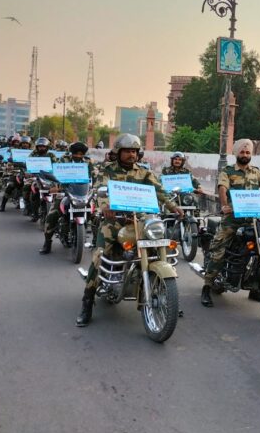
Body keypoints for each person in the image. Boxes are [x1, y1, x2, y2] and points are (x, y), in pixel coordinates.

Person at [76, 134, 182, 327]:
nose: (131, 155)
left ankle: (168, 294)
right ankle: (87, 302)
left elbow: (160, 191)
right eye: (127, 151)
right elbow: (101, 189)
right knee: (100, 256)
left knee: (158, 246)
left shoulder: (144, 173)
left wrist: (174, 206)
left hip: (140, 220)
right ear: (118, 152)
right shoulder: (107, 170)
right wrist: (105, 206)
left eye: (134, 151)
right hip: (113, 221)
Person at [201, 139, 260, 308]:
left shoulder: (256, 172)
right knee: (218, 250)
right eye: (242, 152)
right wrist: (225, 205)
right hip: (233, 219)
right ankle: (207, 286)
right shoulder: (227, 171)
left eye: (248, 152)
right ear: (236, 154)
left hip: (254, 219)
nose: (245, 155)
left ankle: (256, 288)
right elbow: (222, 188)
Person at [40, 142, 93, 255]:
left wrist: (98, 187)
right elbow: (56, 174)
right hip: (65, 191)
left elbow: (95, 175)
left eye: (81, 154)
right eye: (76, 154)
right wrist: (55, 187)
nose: (78, 156)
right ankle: (47, 242)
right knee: (52, 215)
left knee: (98, 215)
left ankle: (96, 244)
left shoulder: (88, 162)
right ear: (71, 153)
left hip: (83, 192)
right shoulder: (63, 160)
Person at [25, 137, 57, 222]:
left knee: (60, 193)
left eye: (43, 146)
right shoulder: (33, 154)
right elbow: (28, 163)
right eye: (39, 146)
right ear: (37, 147)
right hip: (37, 177)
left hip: (50, 178)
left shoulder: (51, 155)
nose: (41, 148)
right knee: (32, 189)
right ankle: (33, 212)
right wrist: (28, 172)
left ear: (47, 147)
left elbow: (56, 165)